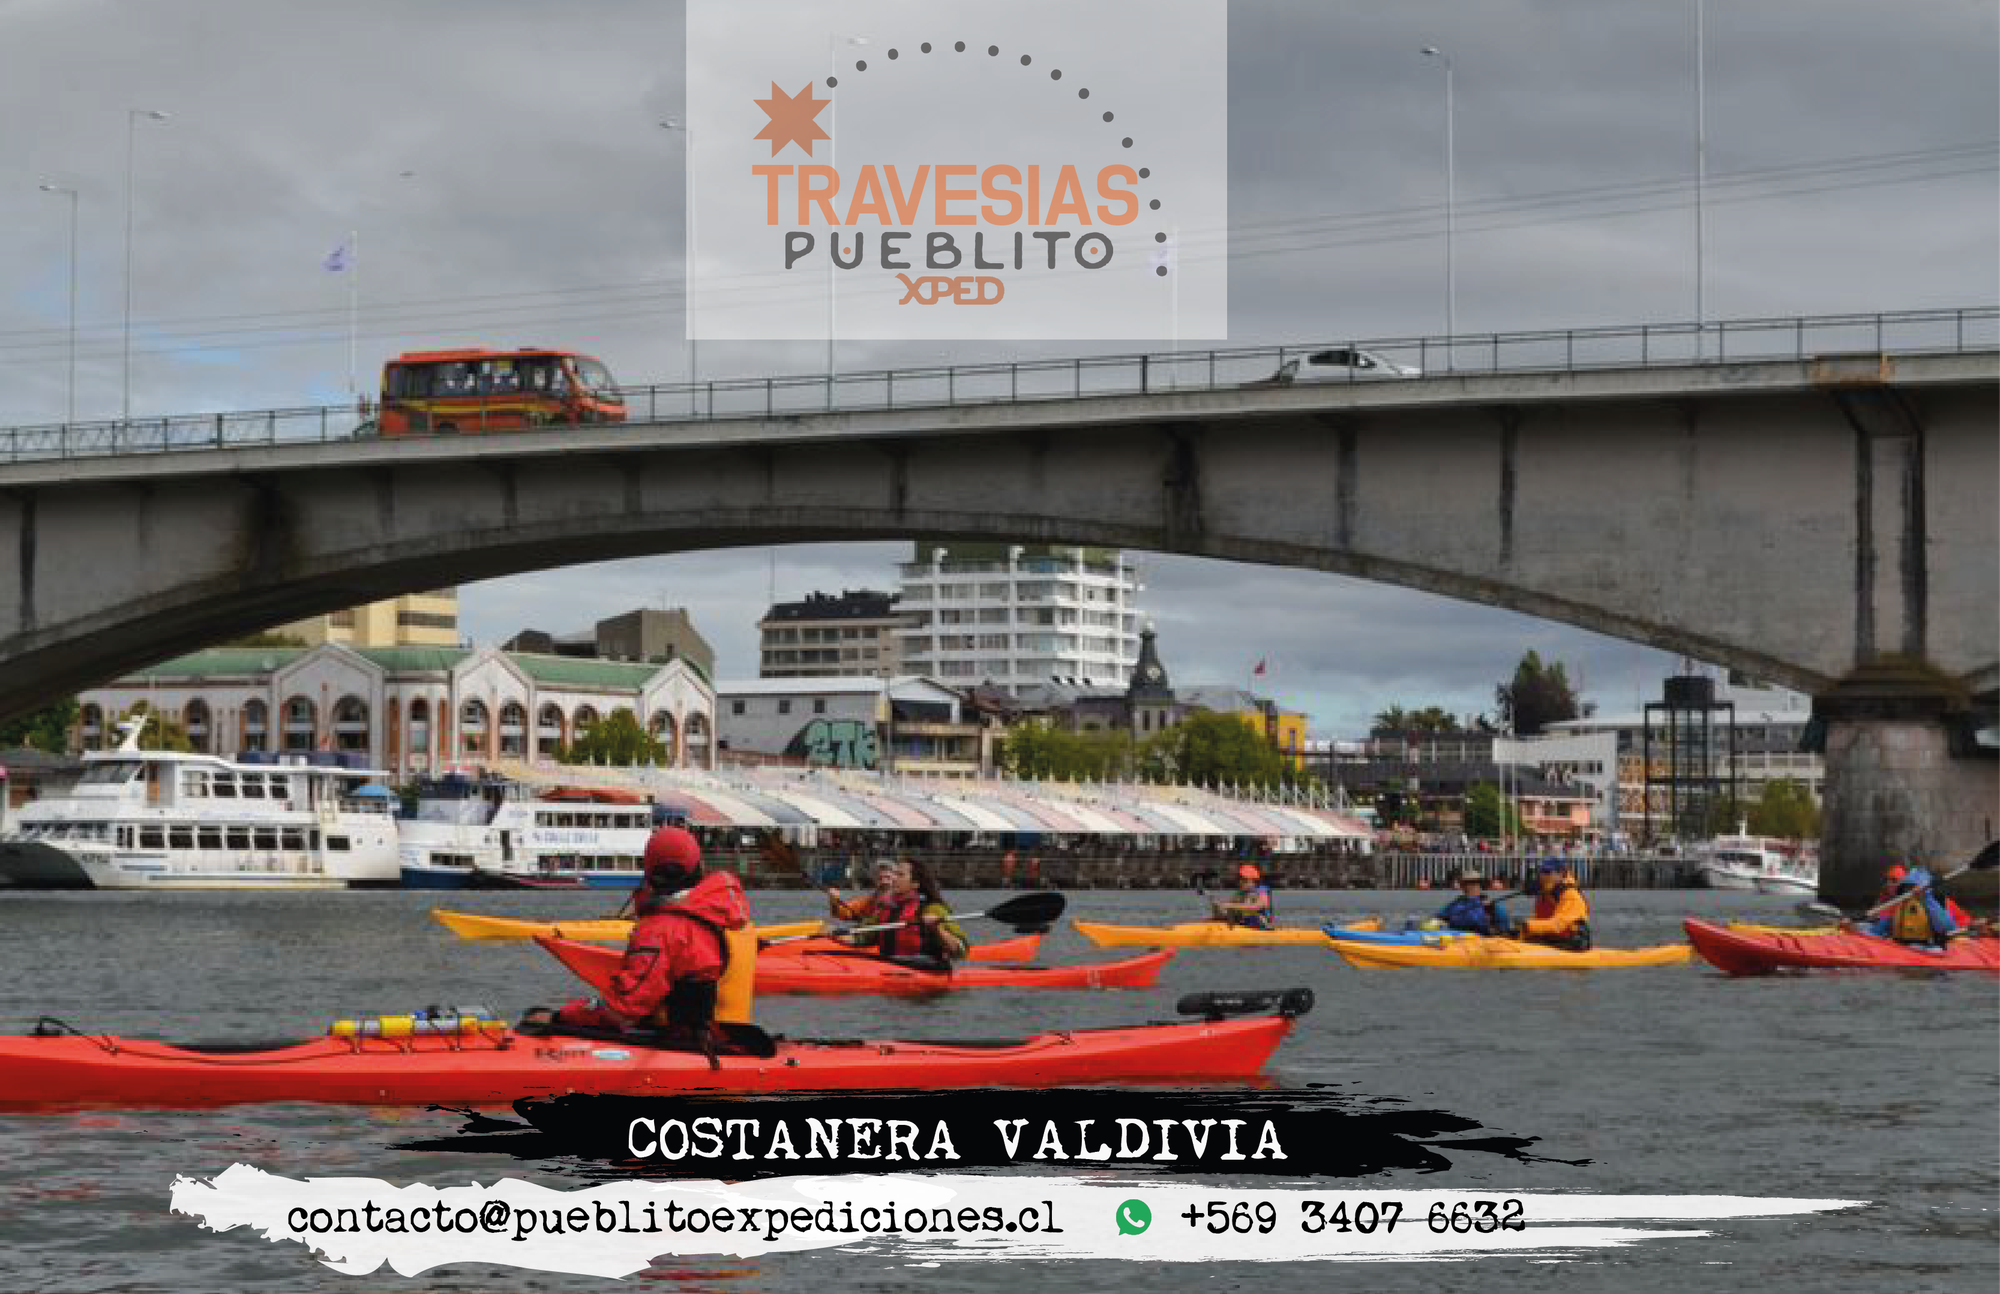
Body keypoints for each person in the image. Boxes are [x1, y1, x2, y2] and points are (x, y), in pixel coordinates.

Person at [554, 826, 752, 1044]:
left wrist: (561, 1015)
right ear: (699, 867)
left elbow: (623, 1010)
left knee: (545, 1019)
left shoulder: (661, 930)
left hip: (690, 1051)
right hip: (736, 1043)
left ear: (650, 872)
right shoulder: (732, 917)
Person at [862, 857, 967, 965]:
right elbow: (862, 936)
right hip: (889, 968)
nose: (893, 878)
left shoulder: (932, 908)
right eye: (895, 874)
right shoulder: (885, 908)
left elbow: (960, 950)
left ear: (915, 884)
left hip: (924, 969)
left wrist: (937, 929)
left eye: (900, 875)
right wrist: (844, 937)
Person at [1846, 866, 1968, 946]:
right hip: (1903, 948)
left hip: (1931, 949)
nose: (1909, 892)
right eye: (1906, 888)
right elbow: (1877, 931)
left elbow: (1947, 927)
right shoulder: (1901, 907)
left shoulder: (1933, 905)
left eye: (1912, 887)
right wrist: (1854, 930)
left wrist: (1926, 897)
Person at [1512, 859, 1591, 951]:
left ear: (1561, 874)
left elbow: (1558, 924)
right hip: (1551, 938)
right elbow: (1541, 920)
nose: (1542, 876)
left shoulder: (1571, 896)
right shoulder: (1545, 893)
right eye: (1541, 872)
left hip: (1573, 941)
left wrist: (1528, 926)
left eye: (1547, 872)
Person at [1434, 868, 1508, 935]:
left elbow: (1503, 928)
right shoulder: (1454, 905)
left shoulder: (1493, 906)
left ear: (1479, 884)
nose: (1469, 886)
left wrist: (1489, 910)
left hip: (1481, 940)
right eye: (1465, 883)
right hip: (1457, 940)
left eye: (1474, 883)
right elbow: (1438, 919)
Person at [825, 859, 895, 923]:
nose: (884, 882)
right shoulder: (867, 902)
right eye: (880, 878)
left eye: (887, 877)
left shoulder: (901, 901)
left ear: (894, 878)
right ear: (874, 880)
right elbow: (841, 912)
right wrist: (834, 901)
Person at [1211, 863, 1275, 931]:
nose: (1240, 882)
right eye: (1239, 879)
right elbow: (1230, 907)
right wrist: (1219, 906)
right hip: (1245, 922)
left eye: (1243, 880)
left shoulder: (1262, 890)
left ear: (1253, 881)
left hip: (1262, 924)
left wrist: (1231, 905)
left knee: (1247, 905)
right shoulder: (1241, 892)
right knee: (1225, 911)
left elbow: (1257, 906)